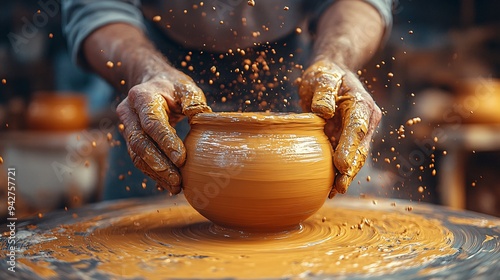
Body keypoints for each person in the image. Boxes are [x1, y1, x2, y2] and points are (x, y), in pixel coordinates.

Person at [62, 0, 393, 200]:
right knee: (131, 236)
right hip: (157, 69)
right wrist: (145, 71)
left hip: (299, 68)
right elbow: (97, 8)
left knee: (338, 196)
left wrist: (336, 58)